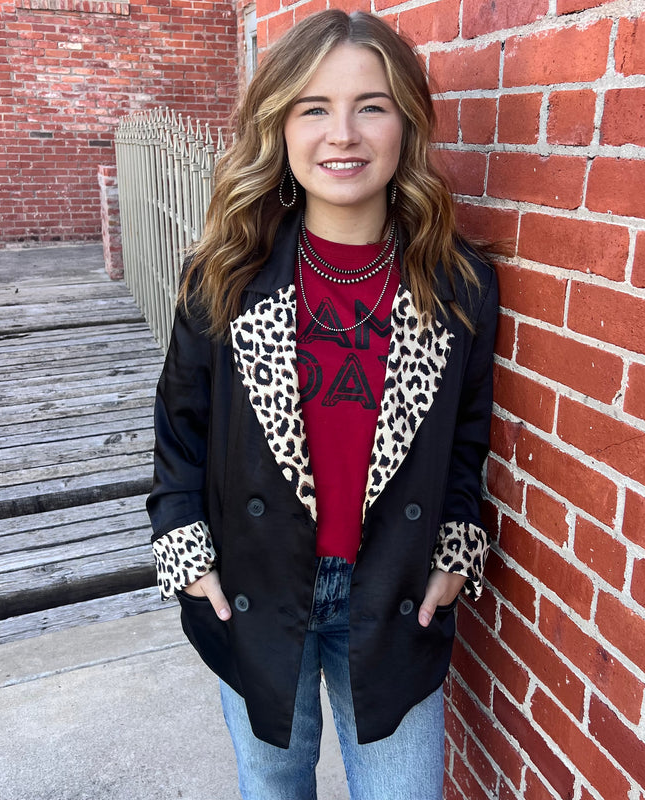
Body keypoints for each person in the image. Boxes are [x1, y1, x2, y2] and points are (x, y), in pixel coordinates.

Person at [146, 9, 498, 800]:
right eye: (314, 107)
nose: (343, 133)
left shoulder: (458, 285)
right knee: (273, 783)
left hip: (393, 596)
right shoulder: (225, 276)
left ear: (406, 123)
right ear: (280, 125)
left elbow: (468, 436)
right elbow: (180, 426)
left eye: (370, 105)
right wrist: (184, 548)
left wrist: (456, 545)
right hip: (254, 586)